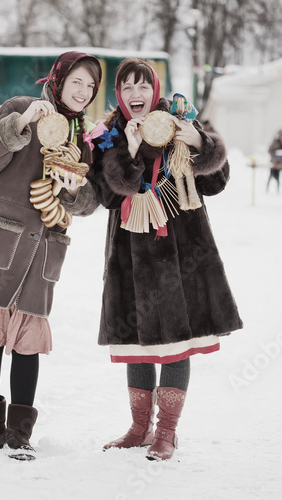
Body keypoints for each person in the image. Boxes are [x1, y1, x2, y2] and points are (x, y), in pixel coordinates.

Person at [0, 51, 102, 460]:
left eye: (90, 86)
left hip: (44, 250)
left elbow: (90, 202)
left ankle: (19, 434)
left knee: (28, 342)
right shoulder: (19, 109)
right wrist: (21, 125)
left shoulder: (84, 137)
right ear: (58, 79)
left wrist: (73, 190)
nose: (82, 92)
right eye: (76, 81)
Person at [88, 59, 243, 461]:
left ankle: (167, 432)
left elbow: (217, 182)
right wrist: (132, 152)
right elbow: (106, 196)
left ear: (154, 90)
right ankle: (139, 428)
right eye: (126, 88)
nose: (134, 94)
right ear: (118, 95)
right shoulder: (108, 137)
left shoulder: (179, 123)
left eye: (142, 86)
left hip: (183, 254)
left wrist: (198, 143)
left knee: (177, 342)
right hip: (130, 257)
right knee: (137, 342)